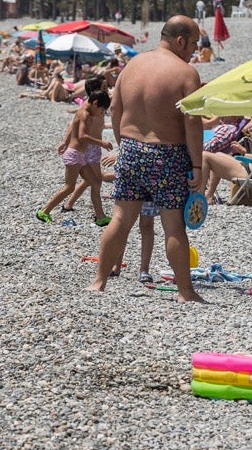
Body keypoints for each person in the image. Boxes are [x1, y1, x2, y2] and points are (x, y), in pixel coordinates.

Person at [90, 16, 205, 303]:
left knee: (120, 218)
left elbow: (115, 109)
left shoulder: (133, 65)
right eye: (193, 44)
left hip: (130, 150)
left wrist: (124, 144)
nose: (194, 50)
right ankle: (185, 292)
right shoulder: (186, 73)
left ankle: (99, 281)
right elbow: (192, 123)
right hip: (168, 155)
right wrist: (197, 165)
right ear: (180, 41)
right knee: (173, 226)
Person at [37, 91, 113, 225]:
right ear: (95, 103)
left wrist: (64, 142)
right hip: (74, 155)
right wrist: (102, 143)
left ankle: (101, 217)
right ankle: (44, 211)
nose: (102, 113)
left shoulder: (84, 109)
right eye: (102, 110)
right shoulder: (85, 114)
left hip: (80, 156)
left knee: (95, 183)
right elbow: (82, 135)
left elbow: (72, 127)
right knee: (69, 187)